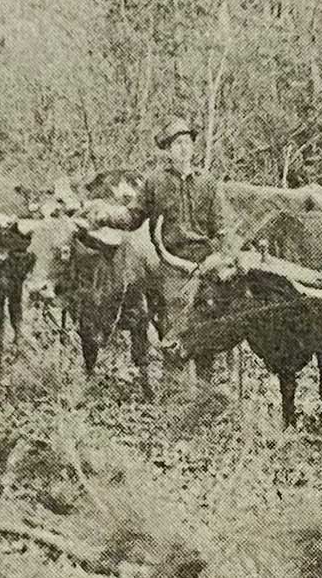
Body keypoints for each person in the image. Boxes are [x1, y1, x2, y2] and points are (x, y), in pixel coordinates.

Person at [89, 116, 235, 392]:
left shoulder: (208, 182)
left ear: (193, 146)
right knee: (175, 327)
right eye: (177, 144)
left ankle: (204, 391)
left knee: (207, 325)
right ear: (167, 149)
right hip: (172, 264)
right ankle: (174, 393)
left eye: (187, 142)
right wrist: (106, 216)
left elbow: (221, 228)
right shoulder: (155, 182)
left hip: (207, 264)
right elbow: (133, 217)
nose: (183, 148)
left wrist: (219, 256)